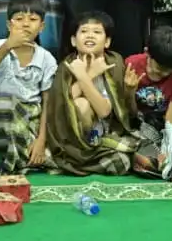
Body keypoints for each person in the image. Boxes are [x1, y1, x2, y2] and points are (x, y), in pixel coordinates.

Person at [42, 11, 141, 176]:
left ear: (107, 42)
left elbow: (104, 111)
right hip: (73, 137)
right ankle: (81, 155)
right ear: (73, 41)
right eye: (84, 31)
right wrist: (89, 75)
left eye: (97, 32)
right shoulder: (67, 66)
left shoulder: (114, 62)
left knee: (121, 161)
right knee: (81, 104)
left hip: (106, 130)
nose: (90, 35)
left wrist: (83, 77)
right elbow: (63, 103)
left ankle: (75, 163)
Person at [0, 0, 57, 175]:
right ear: (9, 25)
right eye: (19, 19)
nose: (26, 24)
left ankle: (22, 155)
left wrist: (41, 141)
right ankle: (25, 158)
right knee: (4, 102)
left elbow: (48, 102)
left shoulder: (47, 58)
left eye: (33, 19)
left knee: (50, 150)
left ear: (42, 26)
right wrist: (7, 47)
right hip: (0, 118)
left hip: (31, 118)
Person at [124, 22, 172, 179]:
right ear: (147, 53)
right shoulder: (132, 65)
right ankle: (158, 164)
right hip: (142, 123)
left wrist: (170, 141)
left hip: (171, 120)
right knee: (142, 155)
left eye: (169, 71)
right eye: (158, 70)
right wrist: (129, 91)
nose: (163, 74)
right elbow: (129, 113)